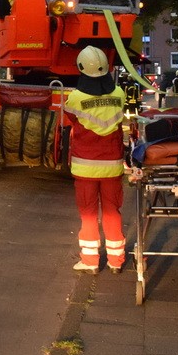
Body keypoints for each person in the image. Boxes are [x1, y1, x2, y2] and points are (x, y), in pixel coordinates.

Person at [62, 45, 127, 274]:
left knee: (88, 214)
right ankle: (116, 261)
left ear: (81, 68)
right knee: (112, 212)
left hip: (86, 167)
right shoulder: (119, 93)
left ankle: (90, 262)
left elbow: (71, 119)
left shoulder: (75, 98)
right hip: (113, 166)